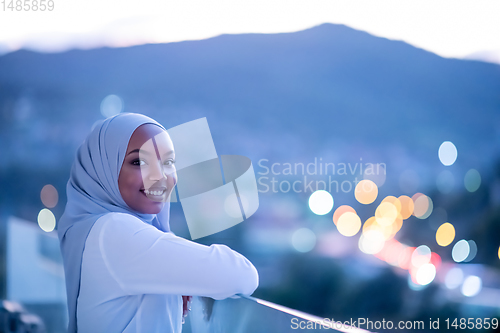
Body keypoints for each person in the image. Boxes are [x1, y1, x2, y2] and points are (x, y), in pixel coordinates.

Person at [57, 113, 259, 333]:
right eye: (139, 162)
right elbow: (242, 275)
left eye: (168, 162)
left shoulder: (97, 230)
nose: (159, 175)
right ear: (103, 170)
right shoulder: (115, 232)